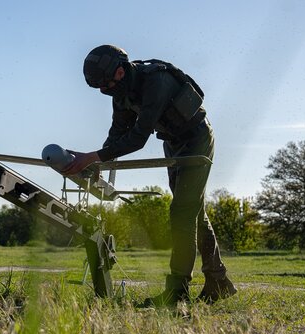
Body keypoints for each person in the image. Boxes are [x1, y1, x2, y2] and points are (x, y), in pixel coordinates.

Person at [62, 44, 236, 306]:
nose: (103, 90)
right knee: (193, 213)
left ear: (120, 71)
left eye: (104, 84)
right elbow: (118, 133)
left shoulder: (156, 80)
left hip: (197, 139)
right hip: (173, 143)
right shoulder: (120, 94)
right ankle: (218, 282)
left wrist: (94, 156)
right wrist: (96, 162)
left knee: (182, 212)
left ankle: (177, 292)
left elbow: (138, 137)